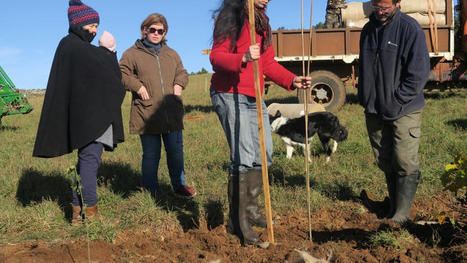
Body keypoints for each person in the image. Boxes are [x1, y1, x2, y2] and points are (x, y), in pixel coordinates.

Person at [210, 0, 311, 245]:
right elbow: (216, 57)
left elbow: (267, 63)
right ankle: (238, 221)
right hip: (229, 93)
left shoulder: (262, 21)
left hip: (254, 95)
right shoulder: (230, 16)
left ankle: (252, 211)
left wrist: (292, 80)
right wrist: (242, 57)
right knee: (243, 157)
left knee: (264, 154)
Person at [33, 0, 125, 225]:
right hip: (92, 120)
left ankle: (78, 213)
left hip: (89, 118)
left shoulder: (71, 46)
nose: (94, 30)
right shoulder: (75, 47)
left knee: (86, 163)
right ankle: (91, 217)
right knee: (89, 163)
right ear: (78, 23)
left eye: (96, 25)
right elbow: (109, 73)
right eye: (91, 25)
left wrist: (104, 53)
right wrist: (110, 51)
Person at [358, 0, 430, 224]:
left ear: (398, 3)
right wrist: (365, 96)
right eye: (376, 6)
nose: (380, 12)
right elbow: (364, 66)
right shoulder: (368, 30)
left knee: (405, 160)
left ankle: (402, 213)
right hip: (374, 109)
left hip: (404, 108)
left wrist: (397, 99)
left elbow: (418, 73)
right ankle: (393, 207)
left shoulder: (410, 29)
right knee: (386, 159)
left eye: (385, 7)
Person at [119, 13, 197, 199]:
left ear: (164, 33)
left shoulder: (171, 53)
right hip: (147, 114)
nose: (155, 33)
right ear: (144, 30)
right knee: (151, 156)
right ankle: (151, 192)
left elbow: (183, 72)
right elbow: (122, 74)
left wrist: (179, 84)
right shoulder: (132, 53)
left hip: (172, 113)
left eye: (160, 31)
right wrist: (137, 86)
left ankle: (179, 186)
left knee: (176, 154)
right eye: (151, 30)